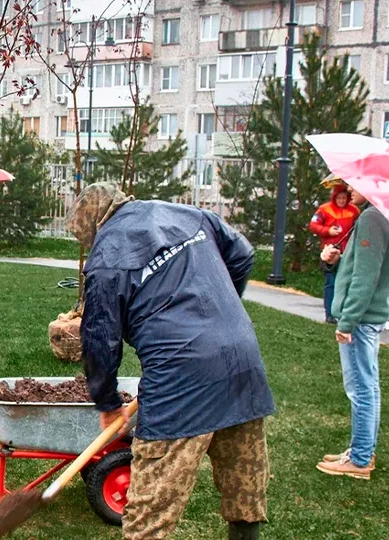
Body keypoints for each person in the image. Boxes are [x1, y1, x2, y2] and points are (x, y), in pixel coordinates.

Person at [68, 183, 275, 540]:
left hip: (181, 380)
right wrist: (221, 308)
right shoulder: (186, 214)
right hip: (241, 358)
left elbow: (99, 339)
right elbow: (241, 254)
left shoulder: (106, 257)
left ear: (93, 226)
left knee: (151, 505)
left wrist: (107, 402)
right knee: (244, 481)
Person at [317, 187, 389, 480]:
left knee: (361, 389)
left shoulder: (372, 218)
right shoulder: (387, 215)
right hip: (369, 316)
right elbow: (364, 266)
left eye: (354, 184)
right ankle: (362, 450)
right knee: (369, 387)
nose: (349, 189)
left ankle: (359, 459)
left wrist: (347, 322)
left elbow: (366, 278)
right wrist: (336, 260)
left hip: (361, 320)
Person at [310, 184, 360, 324]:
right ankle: (330, 313)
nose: (342, 201)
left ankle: (342, 312)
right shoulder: (324, 209)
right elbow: (313, 225)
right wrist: (328, 231)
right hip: (329, 252)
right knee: (331, 283)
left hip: (347, 252)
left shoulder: (354, 211)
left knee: (346, 284)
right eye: (339, 198)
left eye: (344, 198)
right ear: (334, 197)